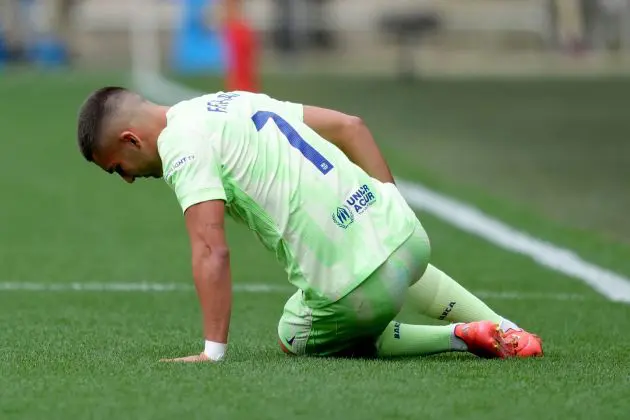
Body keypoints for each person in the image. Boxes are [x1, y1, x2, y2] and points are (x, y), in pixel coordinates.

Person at [75, 87, 543, 363]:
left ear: (131, 139)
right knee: (389, 258)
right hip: (409, 238)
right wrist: (391, 205)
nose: (129, 179)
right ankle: (508, 329)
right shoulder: (225, 100)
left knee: (294, 334)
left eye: (119, 167)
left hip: (357, 292)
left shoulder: (182, 144)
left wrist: (211, 352)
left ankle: (457, 338)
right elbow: (352, 125)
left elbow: (210, 248)